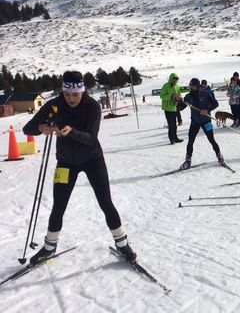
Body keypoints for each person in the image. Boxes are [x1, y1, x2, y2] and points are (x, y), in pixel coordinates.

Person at [22, 71, 136, 263]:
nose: (71, 99)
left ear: (82, 91)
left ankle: (122, 243)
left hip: (93, 160)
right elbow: (28, 128)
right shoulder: (55, 105)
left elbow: (92, 139)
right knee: (58, 206)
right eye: (67, 94)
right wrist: (41, 128)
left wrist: (72, 132)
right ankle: (49, 247)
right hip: (66, 162)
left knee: (105, 202)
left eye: (75, 94)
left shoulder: (92, 106)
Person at [178, 78, 223, 170]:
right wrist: (178, 101)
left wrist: (207, 110)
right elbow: (180, 108)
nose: (191, 87)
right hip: (195, 122)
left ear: (197, 86)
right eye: (190, 86)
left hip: (206, 121)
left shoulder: (206, 93)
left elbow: (215, 104)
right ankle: (188, 161)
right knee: (190, 141)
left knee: (211, 139)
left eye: (192, 86)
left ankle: (219, 155)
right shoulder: (188, 96)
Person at [160, 73, 183, 144]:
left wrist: (179, 98)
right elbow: (162, 96)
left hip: (174, 107)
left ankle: (175, 138)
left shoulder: (177, 87)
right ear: (171, 79)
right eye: (174, 79)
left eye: (176, 79)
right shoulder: (166, 86)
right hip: (167, 108)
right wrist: (171, 96)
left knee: (174, 124)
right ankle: (172, 139)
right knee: (171, 124)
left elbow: (179, 95)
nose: (175, 80)